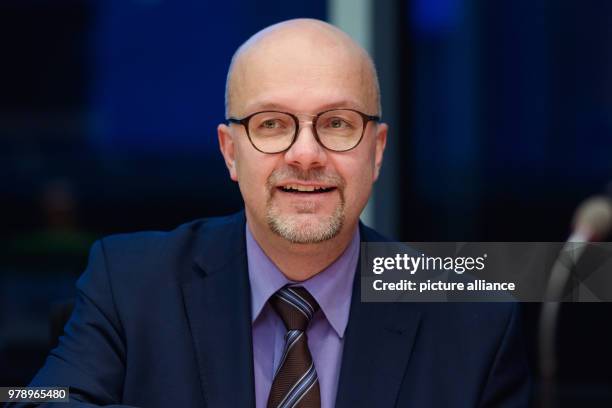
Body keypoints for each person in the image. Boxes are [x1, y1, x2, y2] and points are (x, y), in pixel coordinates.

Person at [14, 19, 530, 408]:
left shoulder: (472, 313)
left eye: (336, 122)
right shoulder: (128, 281)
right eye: (272, 125)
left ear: (376, 151)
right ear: (230, 151)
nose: (306, 154)